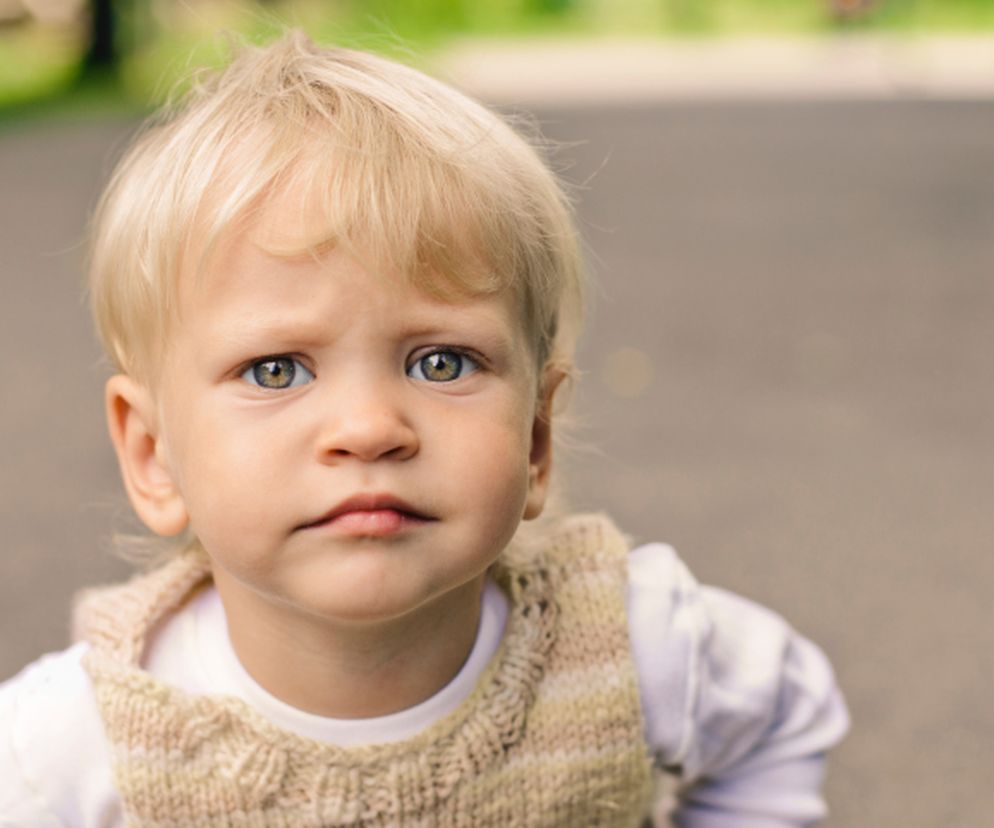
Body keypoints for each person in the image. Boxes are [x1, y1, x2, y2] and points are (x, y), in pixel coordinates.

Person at [0, 31, 848, 827]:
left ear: (537, 437)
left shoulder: (629, 646)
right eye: (276, 370)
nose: (370, 429)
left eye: (441, 363)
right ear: (152, 455)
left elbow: (783, 711)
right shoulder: (75, 741)